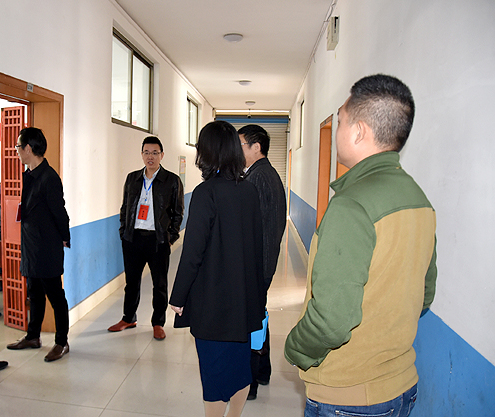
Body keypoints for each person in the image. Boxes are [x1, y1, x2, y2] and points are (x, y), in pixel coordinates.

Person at [284, 74, 437, 417]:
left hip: (348, 395)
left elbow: (332, 321)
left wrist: (295, 348)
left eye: (341, 120)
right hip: (401, 385)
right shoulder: (419, 199)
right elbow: (425, 295)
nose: (337, 130)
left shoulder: (351, 205)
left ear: (358, 131)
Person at [169, 121, 266, 417]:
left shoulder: (205, 192)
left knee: (213, 373)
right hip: (243, 302)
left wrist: (178, 296)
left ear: (207, 152)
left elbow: (192, 252)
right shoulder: (249, 190)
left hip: (212, 303)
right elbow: (257, 247)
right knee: (239, 369)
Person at [108, 136, 184, 340]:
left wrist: (170, 237)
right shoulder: (132, 178)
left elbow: (178, 213)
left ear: (162, 155)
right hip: (133, 239)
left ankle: (158, 323)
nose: (150, 157)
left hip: (158, 240)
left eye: (155, 153)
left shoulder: (172, 180)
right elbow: (125, 207)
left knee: (159, 285)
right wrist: (124, 232)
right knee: (131, 282)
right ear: (142, 154)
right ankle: (128, 318)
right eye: (147, 152)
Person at [6, 127, 72, 363]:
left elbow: (59, 212)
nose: (16, 151)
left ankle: (62, 341)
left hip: (47, 246)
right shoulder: (30, 174)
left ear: (28, 148)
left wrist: (65, 237)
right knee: (34, 293)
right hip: (31, 245)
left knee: (55, 295)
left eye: (18, 146)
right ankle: (33, 336)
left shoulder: (49, 178)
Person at [238, 124, 286, 400]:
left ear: (256, 147)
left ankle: (250, 382)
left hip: (256, 264)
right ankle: (263, 372)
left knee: (250, 322)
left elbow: (250, 229)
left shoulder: (258, 178)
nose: (237, 151)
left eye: (241, 145)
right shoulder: (264, 173)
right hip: (262, 262)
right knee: (258, 316)